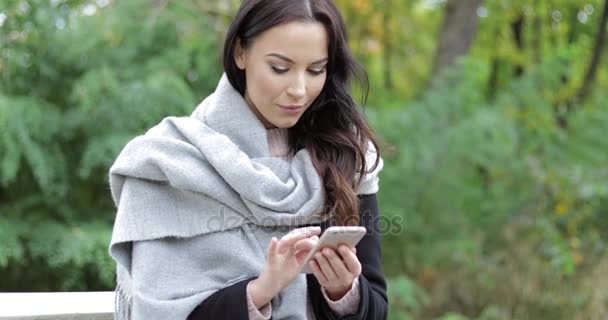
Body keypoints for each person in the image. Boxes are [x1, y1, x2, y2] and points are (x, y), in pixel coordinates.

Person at [107, 0, 387, 319]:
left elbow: (377, 307)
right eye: (280, 68)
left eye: (315, 70)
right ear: (241, 52)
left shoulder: (347, 157)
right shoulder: (170, 163)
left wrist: (343, 291)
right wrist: (261, 290)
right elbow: (156, 312)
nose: (299, 89)